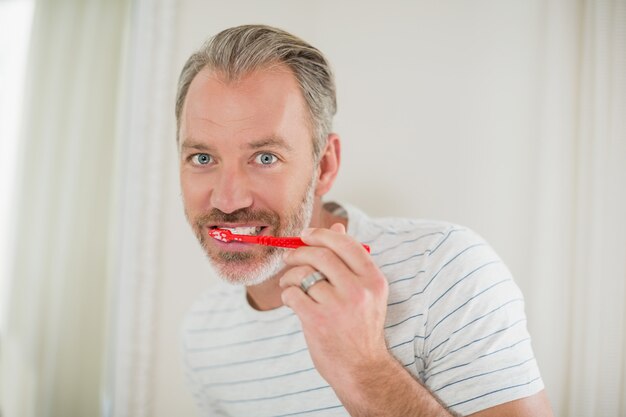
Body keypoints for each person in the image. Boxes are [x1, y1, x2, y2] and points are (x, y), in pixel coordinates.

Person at [175, 24, 553, 417]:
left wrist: (364, 368)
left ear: (324, 166)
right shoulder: (202, 331)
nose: (228, 199)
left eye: (265, 158)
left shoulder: (445, 269)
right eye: (202, 159)